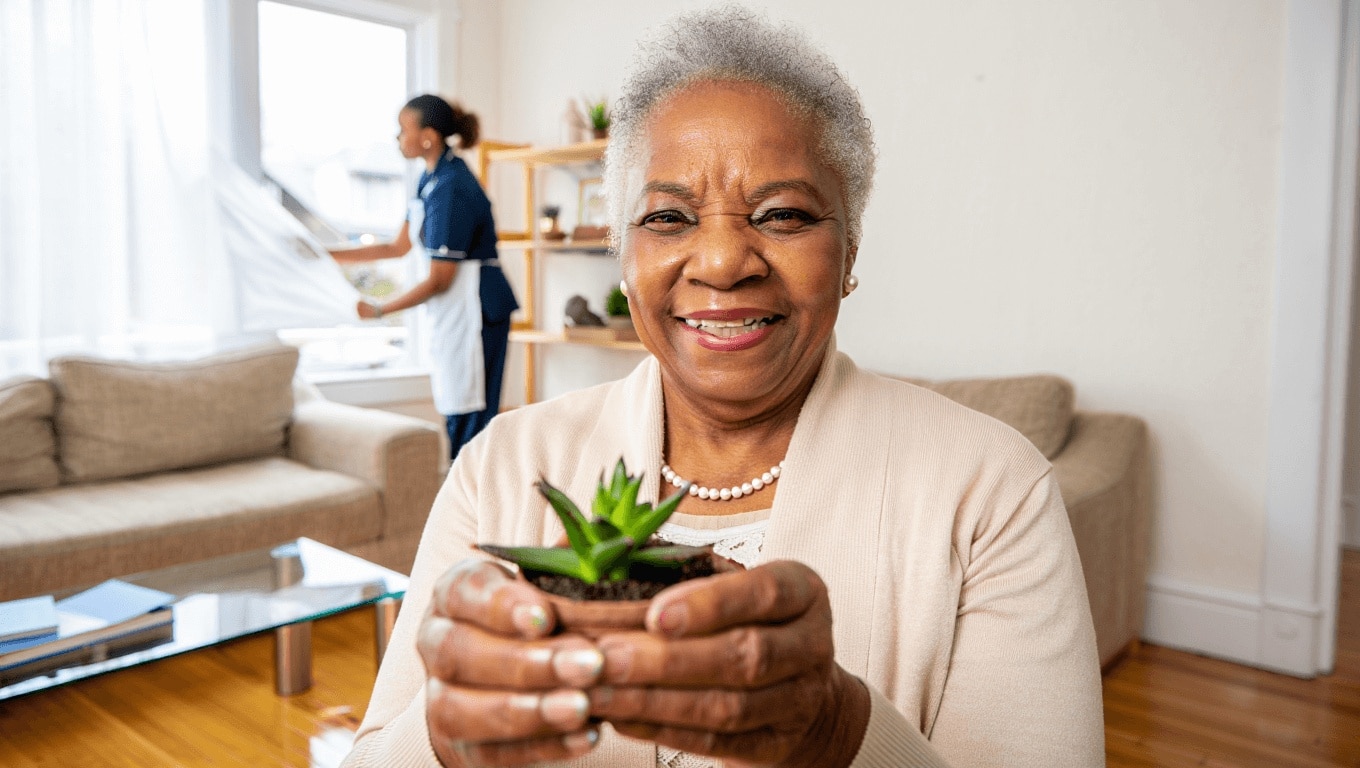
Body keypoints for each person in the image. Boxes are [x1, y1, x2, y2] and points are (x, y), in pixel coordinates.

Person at [344, 8, 1103, 768]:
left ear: (849, 251)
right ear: (623, 253)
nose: (720, 260)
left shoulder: (993, 491)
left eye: (783, 214)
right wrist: (442, 734)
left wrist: (837, 732)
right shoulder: (502, 465)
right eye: (668, 216)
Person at [330, 95, 518, 460]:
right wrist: (326, 255)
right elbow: (397, 247)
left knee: (470, 416)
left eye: (403, 130)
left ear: (428, 136)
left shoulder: (452, 188)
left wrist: (381, 310)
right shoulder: (429, 179)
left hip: (476, 309)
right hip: (457, 310)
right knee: (456, 405)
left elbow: (439, 280)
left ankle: (471, 508)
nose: (397, 137)